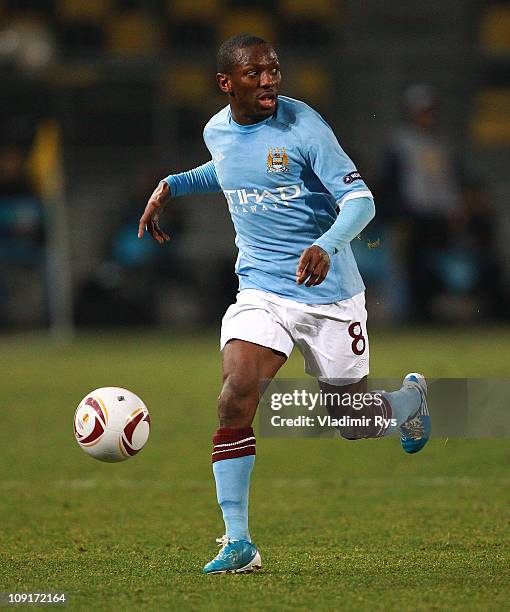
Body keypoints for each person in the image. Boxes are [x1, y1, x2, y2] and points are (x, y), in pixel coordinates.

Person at [138, 34, 431, 575]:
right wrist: (172, 185)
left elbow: (360, 200)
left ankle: (410, 404)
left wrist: (327, 244)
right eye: (255, 73)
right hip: (261, 289)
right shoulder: (216, 130)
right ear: (227, 84)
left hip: (330, 294)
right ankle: (238, 540)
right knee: (235, 398)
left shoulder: (305, 126)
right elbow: (228, 171)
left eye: (274, 70)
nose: (270, 80)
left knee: (351, 420)